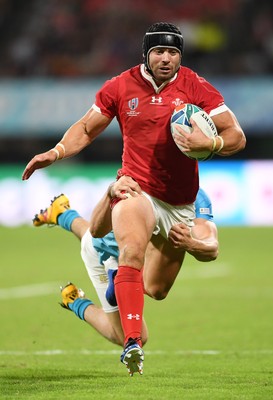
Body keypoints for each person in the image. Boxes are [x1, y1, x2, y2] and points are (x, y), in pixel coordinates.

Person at [22, 22, 246, 375]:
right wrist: (57, 151)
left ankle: (70, 225)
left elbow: (236, 135)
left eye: (173, 52)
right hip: (136, 188)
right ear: (146, 54)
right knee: (130, 251)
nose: (167, 58)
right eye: (159, 51)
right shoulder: (120, 86)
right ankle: (130, 345)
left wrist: (212, 143)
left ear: (180, 56)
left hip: (180, 203)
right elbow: (85, 128)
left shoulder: (196, 86)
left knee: (155, 290)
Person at [33, 178, 218, 375]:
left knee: (155, 285)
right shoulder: (141, 188)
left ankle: (63, 214)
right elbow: (98, 232)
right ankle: (75, 301)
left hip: (123, 251)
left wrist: (190, 243)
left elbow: (211, 246)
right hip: (103, 255)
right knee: (132, 335)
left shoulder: (196, 197)